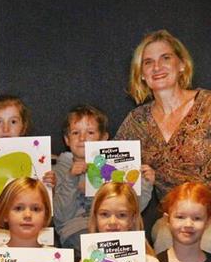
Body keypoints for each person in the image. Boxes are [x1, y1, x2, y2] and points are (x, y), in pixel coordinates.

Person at [116, 29, 211, 259]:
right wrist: (75, 166)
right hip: (175, 216)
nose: (157, 67)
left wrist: (204, 213)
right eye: (148, 62)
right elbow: (108, 167)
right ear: (141, 74)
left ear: (182, 65)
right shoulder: (136, 122)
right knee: (163, 239)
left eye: (165, 58)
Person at [52, 104, 154, 253]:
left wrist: (145, 184)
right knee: (100, 246)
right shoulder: (59, 171)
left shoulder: (117, 167)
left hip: (117, 228)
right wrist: (71, 179)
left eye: (90, 132)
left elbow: (134, 209)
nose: (82, 138)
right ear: (67, 139)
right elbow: (61, 216)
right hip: (79, 230)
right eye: (75, 133)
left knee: (141, 246)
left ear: (103, 138)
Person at [0, 96, 57, 192]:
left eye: (13, 122)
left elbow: (44, 202)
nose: (6, 129)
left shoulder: (40, 164)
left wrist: (50, 186)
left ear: (24, 127)